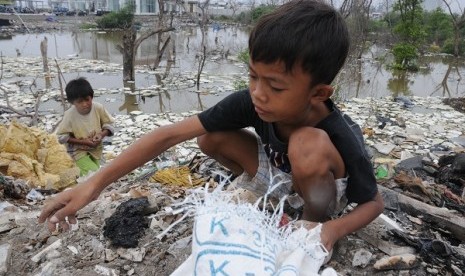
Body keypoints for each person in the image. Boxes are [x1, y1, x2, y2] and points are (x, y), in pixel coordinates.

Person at [40, 0, 384, 254]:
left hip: (319, 192)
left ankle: (309, 225)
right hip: (280, 178)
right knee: (210, 136)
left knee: (306, 144)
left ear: (318, 93)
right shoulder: (252, 101)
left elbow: (373, 204)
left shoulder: (340, 131)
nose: (258, 94)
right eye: (252, 77)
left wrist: (334, 230)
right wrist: (93, 186)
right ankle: (267, 197)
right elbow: (169, 134)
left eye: (275, 86)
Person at [55, 77, 115, 176]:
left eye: (87, 100)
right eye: (80, 101)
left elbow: (109, 124)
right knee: (96, 176)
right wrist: (83, 142)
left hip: (96, 149)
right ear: (72, 102)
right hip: (77, 151)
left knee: (94, 173)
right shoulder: (70, 115)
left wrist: (101, 135)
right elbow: (61, 137)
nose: (85, 104)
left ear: (91, 97)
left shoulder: (98, 108)